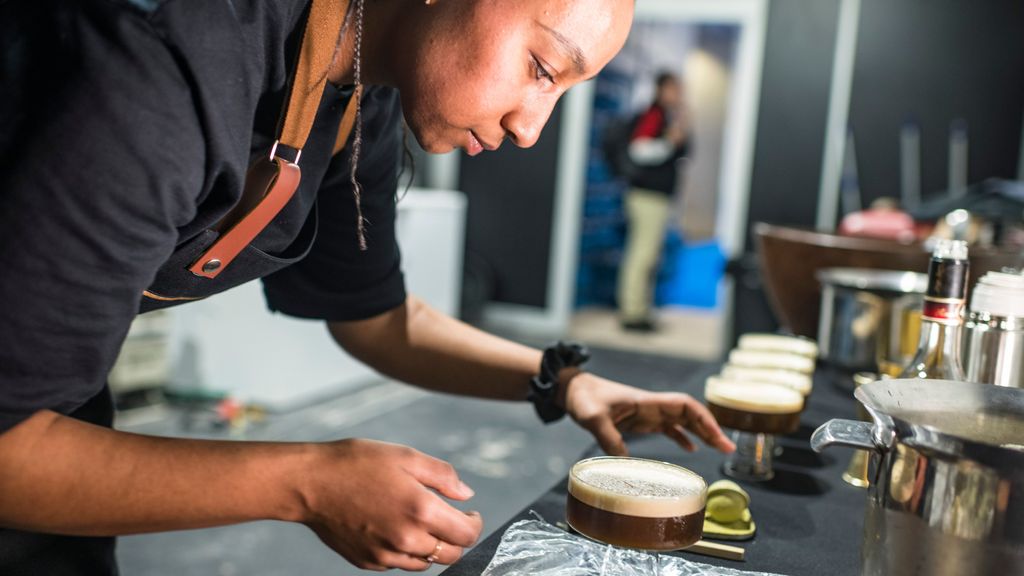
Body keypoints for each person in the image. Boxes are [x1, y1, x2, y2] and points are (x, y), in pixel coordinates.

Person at [0, 0, 733, 573]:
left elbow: (375, 315)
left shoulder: (357, 92)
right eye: (542, 67)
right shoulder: (166, 59)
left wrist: (562, 383)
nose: (531, 127)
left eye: (565, 91)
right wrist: (305, 480)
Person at [617, 72, 692, 332]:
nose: (679, 93)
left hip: (656, 197)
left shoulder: (668, 116)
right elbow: (639, 149)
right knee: (642, 255)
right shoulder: (654, 114)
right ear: (661, 89)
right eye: (674, 88)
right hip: (646, 196)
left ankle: (641, 311)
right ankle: (632, 314)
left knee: (649, 256)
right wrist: (669, 143)